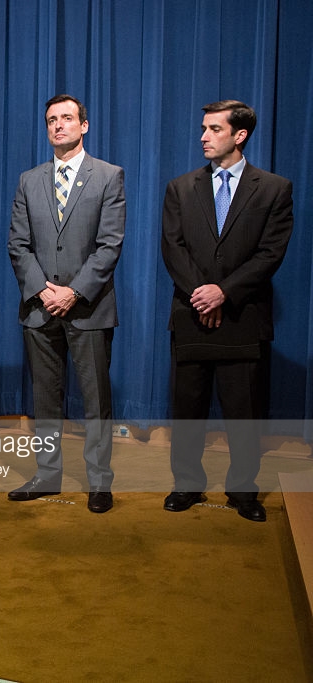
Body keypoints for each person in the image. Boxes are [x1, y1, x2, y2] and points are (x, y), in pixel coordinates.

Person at [161, 100, 293, 523]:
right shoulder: (180, 187)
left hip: (243, 317)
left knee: (244, 412)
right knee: (188, 408)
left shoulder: (273, 188)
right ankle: (186, 483)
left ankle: (243, 491)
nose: (203, 136)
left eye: (214, 129)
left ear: (240, 136)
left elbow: (271, 253)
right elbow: (173, 248)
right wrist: (202, 293)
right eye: (203, 128)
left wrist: (225, 292)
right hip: (191, 312)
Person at [6, 94, 125, 514]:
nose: (59, 126)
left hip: (89, 309)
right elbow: (18, 245)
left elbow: (109, 246)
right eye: (52, 120)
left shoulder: (109, 177)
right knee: (45, 400)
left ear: (84, 126)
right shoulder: (28, 179)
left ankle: (99, 482)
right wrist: (43, 290)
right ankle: (47, 474)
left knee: (95, 402)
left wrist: (73, 292)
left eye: (67, 118)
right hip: (40, 309)